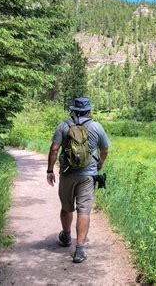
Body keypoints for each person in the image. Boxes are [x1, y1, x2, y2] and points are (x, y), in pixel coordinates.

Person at [47, 97, 110, 263]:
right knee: (84, 211)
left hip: (67, 173)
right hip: (87, 175)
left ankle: (66, 237)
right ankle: (80, 250)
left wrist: (50, 170)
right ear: (88, 110)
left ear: (73, 110)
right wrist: (100, 164)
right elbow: (105, 149)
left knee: (67, 207)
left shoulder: (64, 125)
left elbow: (54, 149)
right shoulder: (96, 126)